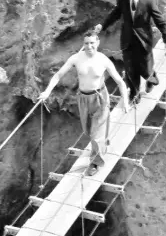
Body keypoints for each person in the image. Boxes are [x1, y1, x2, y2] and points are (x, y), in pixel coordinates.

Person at [38, 30, 129, 176]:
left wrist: (125, 101)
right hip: (83, 98)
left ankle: (96, 162)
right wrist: (47, 92)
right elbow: (58, 75)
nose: (89, 46)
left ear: (97, 43)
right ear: (83, 44)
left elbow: (119, 81)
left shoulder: (103, 60)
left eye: (92, 43)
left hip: (100, 98)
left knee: (95, 134)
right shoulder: (76, 58)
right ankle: (101, 144)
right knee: (88, 130)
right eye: (86, 43)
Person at [94, 0, 166, 102]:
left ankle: (151, 79)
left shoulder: (148, 2)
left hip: (144, 41)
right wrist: (102, 25)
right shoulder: (123, 0)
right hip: (127, 40)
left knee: (146, 69)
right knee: (130, 69)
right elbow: (114, 15)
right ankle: (135, 94)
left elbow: (161, 23)